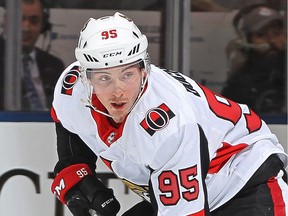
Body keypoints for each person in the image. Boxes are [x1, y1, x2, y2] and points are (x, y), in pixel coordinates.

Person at [50, 12, 288, 216]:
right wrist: (74, 167)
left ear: (144, 70)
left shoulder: (169, 126)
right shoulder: (71, 89)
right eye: (104, 78)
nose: (118, 91)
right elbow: (67, 122)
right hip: (191, 185)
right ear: (85, 77)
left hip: (245, 181)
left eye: (127, 75)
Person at [0, 0, 65, 111]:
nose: (26, 28)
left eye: (34, 21)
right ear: (6, 21)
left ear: (43, 26)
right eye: (19, 19)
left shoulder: (55, 65)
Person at [221, 4, 286, 114]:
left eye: (277, 33)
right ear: (247, 40)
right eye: (262, 35)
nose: (272, 41)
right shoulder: (239, 82)